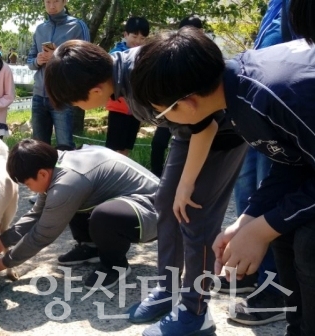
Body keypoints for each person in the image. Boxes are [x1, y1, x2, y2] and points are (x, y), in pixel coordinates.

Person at [44, 40, 247, 336]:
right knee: (166, 204)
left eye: (77, 102)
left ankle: (196, 312)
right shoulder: (120, 77)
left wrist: (186, 185)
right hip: (187, 131)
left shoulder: (140, 80)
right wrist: (176, 189)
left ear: (95, 91)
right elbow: (186, 126)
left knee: (195, 214)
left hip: (221, 133)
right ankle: (168, 289)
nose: (78, 108)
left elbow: (206, 126)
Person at [130, 27, 315, 335]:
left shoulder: (268, 97)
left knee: (309, 243)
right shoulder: (237, 94)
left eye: (161, 116)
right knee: (282, 232)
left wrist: (261, 230)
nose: (165, 123)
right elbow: (292, 162)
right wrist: (250, 219)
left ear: (186, 103)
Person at [0, 139, 159, 289]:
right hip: (135, 207)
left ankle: (115, 266)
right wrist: (2, 241)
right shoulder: (58, 165)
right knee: (67, 206)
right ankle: (91, 247)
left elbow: (43, 233)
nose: (28, 189)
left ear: (42, 173)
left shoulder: (67, 184)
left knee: (103, 216)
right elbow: (37, 215)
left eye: (27, 184)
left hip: (156, 213)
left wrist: (6, 262)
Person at [222, 0, 297, 326]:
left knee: (278, 180)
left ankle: (277, 283)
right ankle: (252, 267)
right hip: (258, 106)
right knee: (250, 181)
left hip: (287, 105)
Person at [27, 0, 90, 149]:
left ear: (65, 2)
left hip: (62, 95)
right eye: (48, 1)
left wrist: (56, 58)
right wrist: (38, 60)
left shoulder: (77, 26)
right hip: (38, 96)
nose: (52, 5)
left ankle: (67, 172)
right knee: (38, 147)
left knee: (65, 145)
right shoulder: (40, 28)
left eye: (55, 1)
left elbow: (86, 61)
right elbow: (30, 61)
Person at [149, 15, 203, 177]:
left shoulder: (204, 55)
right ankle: (155, 176)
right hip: (170, 106)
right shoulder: (172, 51)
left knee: (186, 145)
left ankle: (185, 178)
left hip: (194, 110)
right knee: (158, 143)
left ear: (201, 32)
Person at [104, 16, 149, 156]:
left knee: (127, 146)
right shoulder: (116, 54)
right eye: (134, 36)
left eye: (142, 38)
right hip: (118, 107)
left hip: (136, 109)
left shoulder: (145, 55)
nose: (138, 41)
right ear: (126, 35)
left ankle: (122, 172)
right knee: (113, 147)